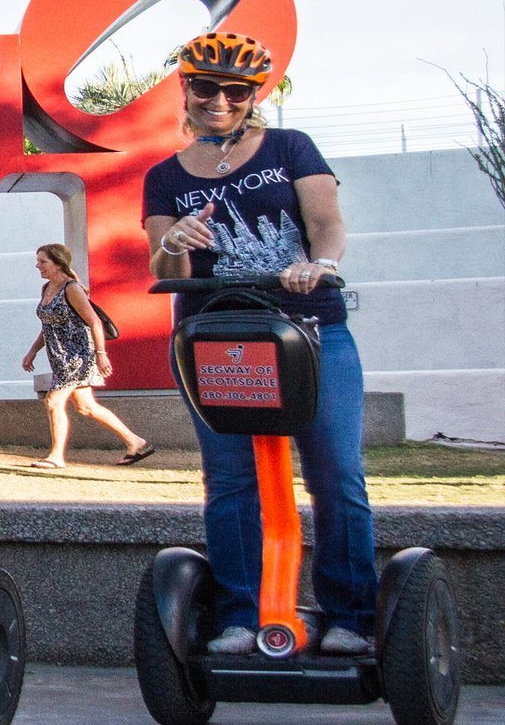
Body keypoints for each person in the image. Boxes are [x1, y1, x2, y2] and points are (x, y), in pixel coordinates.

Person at [145, 32, 375, 656]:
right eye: (207, 87)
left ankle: (351, 613)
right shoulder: (165, 177)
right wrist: (177, 241)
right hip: (219, 338)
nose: (220, 100)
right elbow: (166, 266)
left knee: (335, 473)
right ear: (186, 90)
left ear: (253, 96)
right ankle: (242, 615)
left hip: (310, 329)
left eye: (236, 90)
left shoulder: (289, 148)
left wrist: (319, 263)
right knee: (229, 480)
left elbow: (326, 222)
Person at [19, 243, 153, 469]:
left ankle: (56, 457)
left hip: (78, 356)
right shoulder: (47, 289)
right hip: (60, 357)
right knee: (86, 407)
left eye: (43, 261)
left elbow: (94, 321)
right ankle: (135, 442)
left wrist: (101, 354)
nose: (38, 265)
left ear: (58, 263)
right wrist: (33, 351)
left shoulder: (71, 288)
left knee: (53, 401)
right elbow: (49, 326)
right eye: (38, 260)